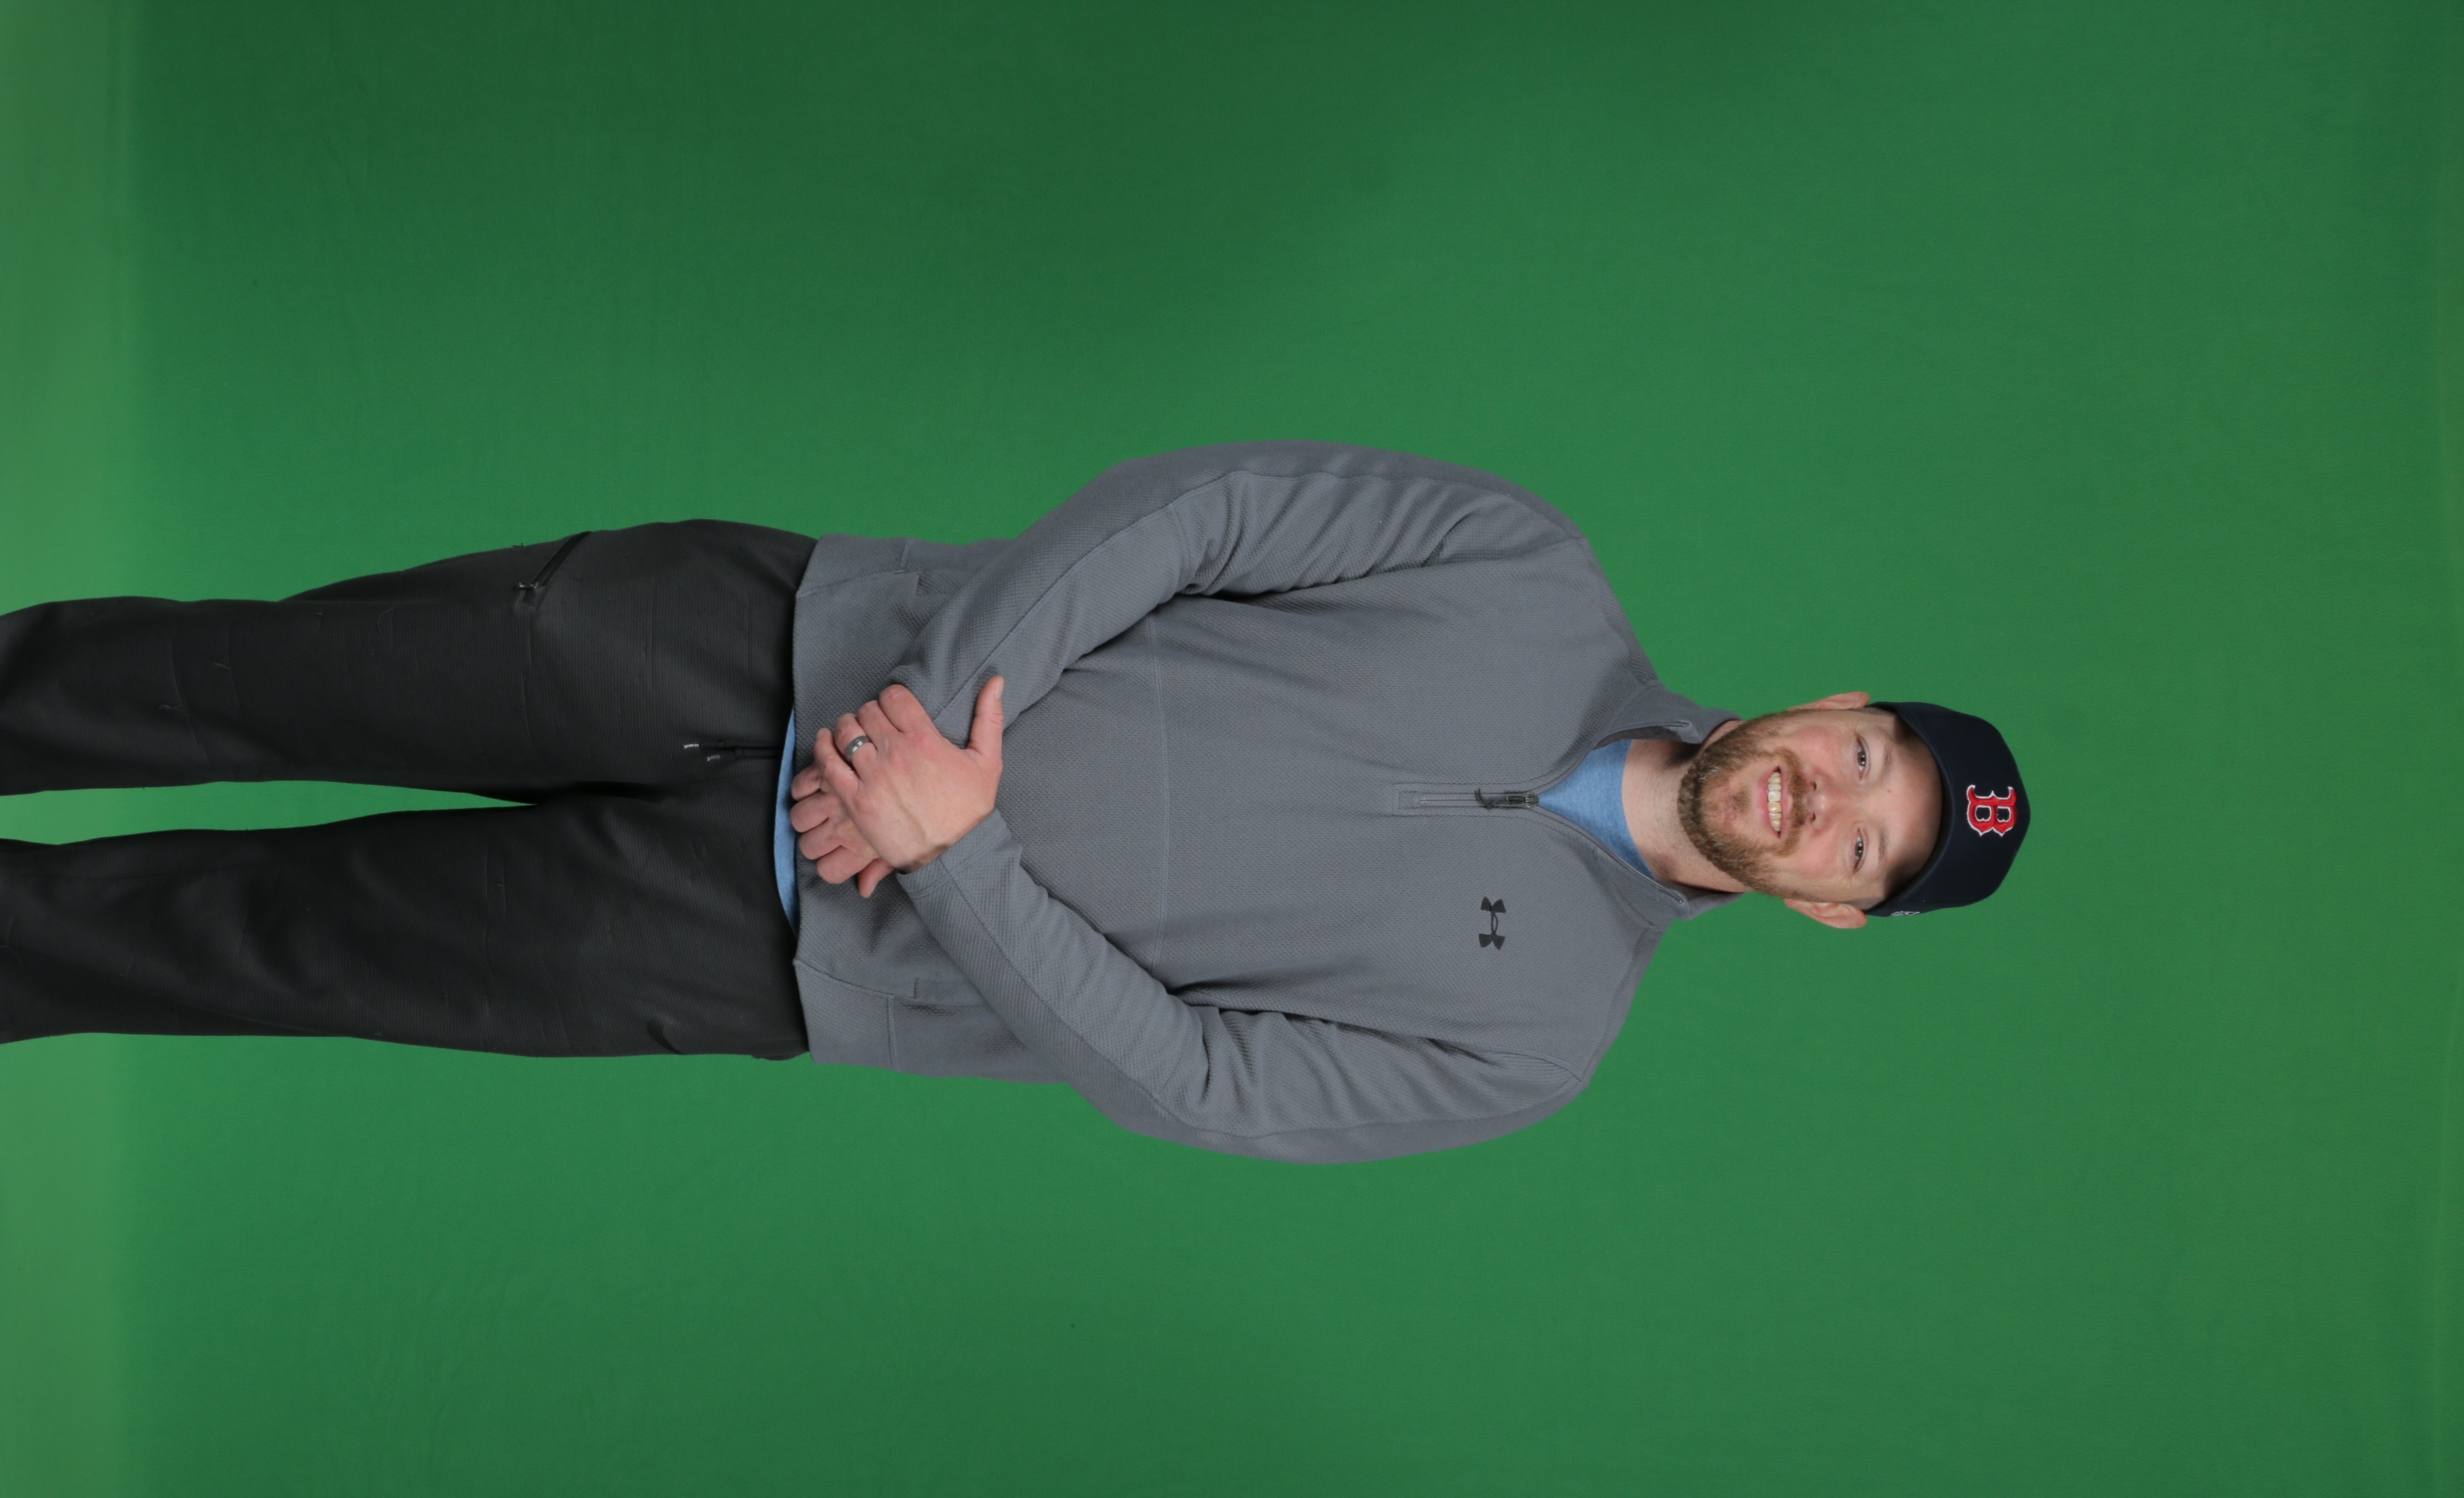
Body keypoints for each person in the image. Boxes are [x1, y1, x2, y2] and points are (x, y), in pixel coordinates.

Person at [0, 444, 2029, 1161]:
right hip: (765, 640)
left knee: (256, 947)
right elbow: (1207, 512)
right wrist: (941, 724)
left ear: (1834, 909)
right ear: (1839, 703)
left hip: (768, 949)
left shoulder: (1538, 1042)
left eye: (1866, 848)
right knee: (242, 676)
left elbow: (1201, 1083)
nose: (1824, 803)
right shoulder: (1526, 568)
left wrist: (953, 852)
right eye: (1868, 761)